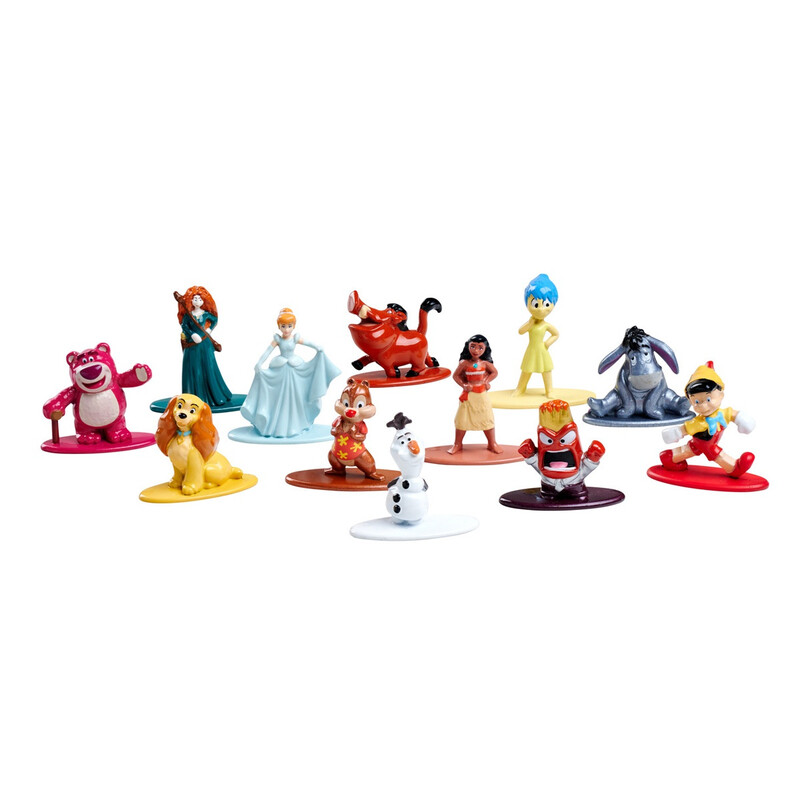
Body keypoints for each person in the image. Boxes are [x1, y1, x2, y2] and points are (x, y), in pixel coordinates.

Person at [241, 308, 340, 438]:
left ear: (294, 326)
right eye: (283, 326)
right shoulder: (277, 340)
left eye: (289, 326)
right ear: (279, 326)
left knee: (296, 396)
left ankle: (297, 423)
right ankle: (277, 426)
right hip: (280, 369)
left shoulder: (295, 338)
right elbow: (267, 351)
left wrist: (318, 347)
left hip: (294, 368)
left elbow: (308, 343)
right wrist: (259, 363)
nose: (286, 329)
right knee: (279, 397)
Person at [659, 361, 755, 477]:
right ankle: (734, 467)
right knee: (714, 452)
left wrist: (742, 420)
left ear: (721, 395)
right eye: (696, 402)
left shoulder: (723, 413)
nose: (703, 406)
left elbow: (734, 415)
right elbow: (685, 428)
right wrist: (675, 432)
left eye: (708, 399)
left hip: (700, 444)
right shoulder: (698, 422)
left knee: (689, 450)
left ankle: (669, 457)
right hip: (704, 442)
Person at [176, 286, 233, 407]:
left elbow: (214, 319)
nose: (197, 301)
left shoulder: (206, 314)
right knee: (193, 368)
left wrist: (209, 329)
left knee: (209, 367)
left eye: (200, 299)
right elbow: (184, 326)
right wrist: (192, 334)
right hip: (192, 346)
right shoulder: (188, 315)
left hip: (205, 344)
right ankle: (194, 397)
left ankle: (213, 394)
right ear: (191, 300)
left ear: (204, 301)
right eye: (195, 299)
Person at [448, 334, 502, 454]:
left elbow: (494, 372)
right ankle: (457, 444)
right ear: (468, 346)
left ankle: (492, 443)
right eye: (473, 346)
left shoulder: (485, 363)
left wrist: (486, 381)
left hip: (481, 394)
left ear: (485, 349)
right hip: (469, 395)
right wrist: (464, 385)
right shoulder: (464, 363)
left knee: (486, 417)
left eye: (480, 348)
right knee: (462, 419)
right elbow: (456, 376)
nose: (476, 351)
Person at [513, 273, 560, 397]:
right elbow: (520, 331)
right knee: (526, 369)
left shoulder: (546, 325)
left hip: (542, 350)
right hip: (531, 350)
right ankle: (520, 388)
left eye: (546, 304)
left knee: (546, 370)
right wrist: (529, 324)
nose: (540, 309)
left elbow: (556, 334)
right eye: (535, 304)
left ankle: (549, 390)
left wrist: (547, 343)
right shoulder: (531, 323)